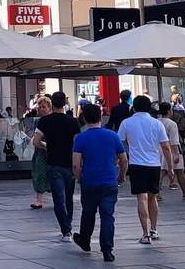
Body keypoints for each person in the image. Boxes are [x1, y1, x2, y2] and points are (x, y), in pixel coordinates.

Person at [71, 104, 128, 263]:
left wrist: (79, 178)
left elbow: (75, 164)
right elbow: (123, 159)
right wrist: (122, 175)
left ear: (84, 118)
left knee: (88, 213)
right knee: (107, 216)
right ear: (100, 116)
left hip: (89, 181)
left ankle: (85, 240)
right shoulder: (112, 136)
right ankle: (107, 250)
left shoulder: (80, 138)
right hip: (109, 181)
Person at [117, 95, 174, 244]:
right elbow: (166, 147)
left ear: (133, 107)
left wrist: (119, 163)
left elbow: (119, 143)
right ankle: (154, 229)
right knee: (152, 197)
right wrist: (170, 167)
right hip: (154, 164)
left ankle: (145, 233)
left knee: (141, 198)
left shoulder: (126, 123)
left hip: (136, 164)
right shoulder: (157, 124)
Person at [32, 91, 80, 243]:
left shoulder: (45, 121)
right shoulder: (73, 121)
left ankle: (66, 230)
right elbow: (77, 143)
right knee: (69, 197)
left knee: (58, 199)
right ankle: (69, 223)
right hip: (69, 163)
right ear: (65, 103)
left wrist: (47, 147)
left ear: (52, 103)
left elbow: (36, 141)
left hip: (53, 163)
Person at [157, 102, 185, 199]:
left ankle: (156, 193)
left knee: (161, 171)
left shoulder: (156, 122)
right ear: (169, 111)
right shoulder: (172, 124)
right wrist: (176, 154)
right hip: (171, 148)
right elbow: (174, 140)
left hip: (158, 149)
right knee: (179, 171)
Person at [30, 95, 52, 210]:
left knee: (54, 174)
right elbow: (35, 138)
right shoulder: (38, 121)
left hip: (50, 151)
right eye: (39, 107)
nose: (41, 109)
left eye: (44, 107)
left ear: (49, 107)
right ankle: (39, 200)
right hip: (41, 150)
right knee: (39, 173)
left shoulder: (52, 120)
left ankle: (59, 197)